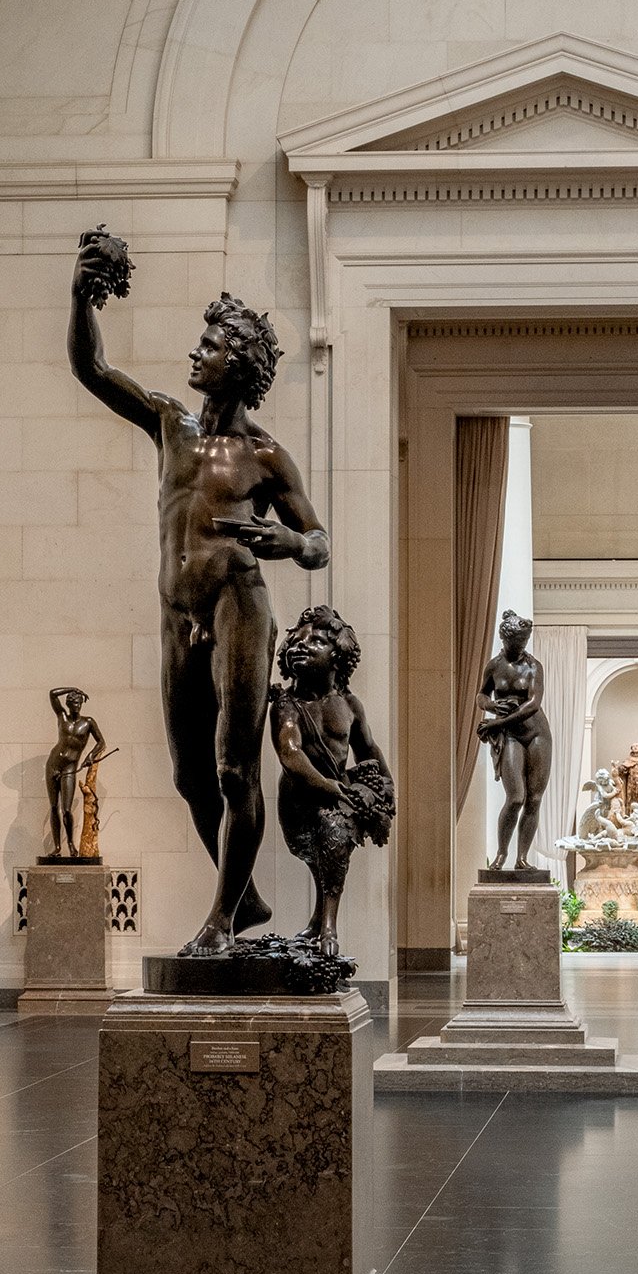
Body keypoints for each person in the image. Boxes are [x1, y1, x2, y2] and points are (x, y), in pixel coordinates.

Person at [68, 225, 328, 954]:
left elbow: (318, 539)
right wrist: (81, 296)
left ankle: (218, 923)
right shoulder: (169, 424)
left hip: (238, 605)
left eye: (210, 345)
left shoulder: (265, 456)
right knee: (189, 777)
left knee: (232, 765)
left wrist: (291, 543)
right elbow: (93, 369)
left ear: (238, 364)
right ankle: (242, 903)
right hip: (176, 614)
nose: (196, 353)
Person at [269, 603, 395, 959]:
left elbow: (368, 750)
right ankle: (319, 921)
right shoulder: (286, 705)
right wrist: (328, 786)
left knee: (334, 842)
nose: (301, 645)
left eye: (317, 640)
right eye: (297, 640)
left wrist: (386, 788)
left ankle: (327, 927)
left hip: (336, 799)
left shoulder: (350, 705)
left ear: (338, 655)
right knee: (318, 857)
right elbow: (290, 753)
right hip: (299, 797)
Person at [475, 610, 551, 878]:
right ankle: (502, 853)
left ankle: (522, 858)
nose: (519, 649)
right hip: (511, 736)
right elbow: (481, 695)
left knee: (534, 798)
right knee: (515, 796)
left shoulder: (534, 666)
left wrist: (496, 723)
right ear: (505, 641)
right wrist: (492, 705)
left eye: (523, 644)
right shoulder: (494, 665)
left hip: (537, 734)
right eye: (515, 644)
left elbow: (533, 704)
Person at [42, 686, 110, 862]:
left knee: (66, 808)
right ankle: (57, 847)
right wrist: (73, 688)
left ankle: (71, 844)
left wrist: (90, 756)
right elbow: (52, 693)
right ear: (68, 704)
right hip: (53, 765)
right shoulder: (62, 717)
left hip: (70, 767)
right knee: (53, 806)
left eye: (79, 702)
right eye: (73, 702)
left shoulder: (88, 722)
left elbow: (101, 742)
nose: (76, 705)